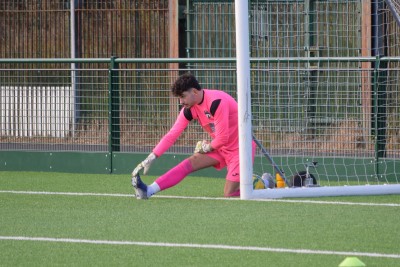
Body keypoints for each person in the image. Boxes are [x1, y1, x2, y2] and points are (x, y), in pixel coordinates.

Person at [131, 73, 256, 199]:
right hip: (220, 148)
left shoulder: (216, 102)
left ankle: (263, 184)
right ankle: (148, 190)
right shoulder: (189, 109)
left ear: (194, 92)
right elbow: (172, 135)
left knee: (229, 194)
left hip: (240, 149)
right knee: (188, 164)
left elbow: (223, 138)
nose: (181, 102)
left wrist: (207, 147)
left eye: (183, 97)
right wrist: (153, 155)